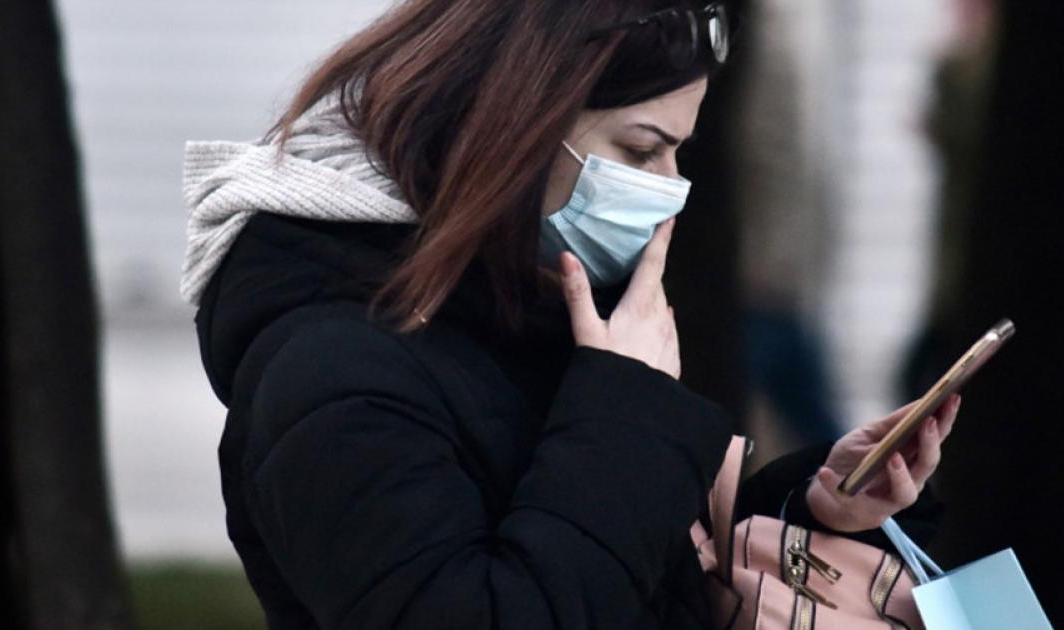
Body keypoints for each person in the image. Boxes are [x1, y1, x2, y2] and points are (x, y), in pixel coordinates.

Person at [181, 1, 956, 628]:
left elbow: (619, 561)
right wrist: (625, 410)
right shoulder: (329, 377)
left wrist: (813, 506)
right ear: (513, 125)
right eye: (642, 150)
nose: (670, 189)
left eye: (678, 151)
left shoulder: (526, 300)